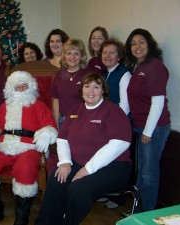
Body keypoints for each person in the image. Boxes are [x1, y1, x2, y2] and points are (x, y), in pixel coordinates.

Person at [35, 73, 132, 225]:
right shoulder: (76, 110)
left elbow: (120, 143)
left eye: (96, 87)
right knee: (56, 178)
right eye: (87, 86)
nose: (91, 91)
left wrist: (88, 169)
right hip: (80, 162)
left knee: (78, 189)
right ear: (81, 90)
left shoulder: (113, 111)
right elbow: (62, 138)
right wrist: (65, 162)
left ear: (103, 91)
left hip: (113, 167)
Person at [0, 71, 58, 225]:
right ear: (10, 89)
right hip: (4, 147)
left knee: (25, 168)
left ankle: (22, 217)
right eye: (17, 87)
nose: (20, 90)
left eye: (24, 86)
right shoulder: (4, 107)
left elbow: (50, 125)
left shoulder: (38, 105)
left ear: (31, 87)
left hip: (28, 148)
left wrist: (46, 134)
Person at [125, 28, 171, 212]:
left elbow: (158, 101)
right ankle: (137, 210)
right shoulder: (138, 67)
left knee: (148, 172)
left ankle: (147, 213)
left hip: (154, 127)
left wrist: (148, 131)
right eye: (133, 43)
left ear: (150, 44)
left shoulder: (155, 67)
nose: (137, 46)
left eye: (141, 42)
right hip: (140, 125)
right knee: (142, 170)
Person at [50, 38, 94, 128]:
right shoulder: (58, 75)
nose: (72, 57)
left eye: (76, 54)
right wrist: (56, 124)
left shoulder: (88, 74)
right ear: (64, 56)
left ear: (81, 56)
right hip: (64, 121)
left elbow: (94, 99)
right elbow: (55, 100)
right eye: (69, 53)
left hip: (84, 120)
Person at [101, 39, 131, 115]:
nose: (107, 55)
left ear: (119, 57)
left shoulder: (124, 74)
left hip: (119, 121)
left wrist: (112, 122)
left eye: (112, 52)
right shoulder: (104, 74)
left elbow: (125, 107)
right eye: (105, 52)